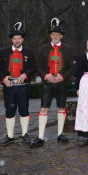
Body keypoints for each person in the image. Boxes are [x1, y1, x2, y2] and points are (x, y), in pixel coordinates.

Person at [30, 18, 74, 147]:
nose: (55, 36)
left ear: (61, 36)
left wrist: (63, 76)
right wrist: (46, 75)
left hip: (62, 82)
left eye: (58, 35)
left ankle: (60, 134)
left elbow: (71, 67)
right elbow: (38, 66)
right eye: (53, 34)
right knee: (44, 108)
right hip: (47, 83)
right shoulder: (43, 49)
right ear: (50, 35)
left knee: (61, 107)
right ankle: (40, 137)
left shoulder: (68, 49)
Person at [0, 22, 36, 146]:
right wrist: (3, 79)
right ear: (11, 39)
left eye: (19, 38)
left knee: (24, 109)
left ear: (23, 39)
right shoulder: (3, 52)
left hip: (23, 87)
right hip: (9, 87)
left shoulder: (29, 52)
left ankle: (25, 134)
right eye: (15, 38)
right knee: (9, 110)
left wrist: (26, 74)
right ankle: (10, 136)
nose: (17, 40)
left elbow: (33, 67)